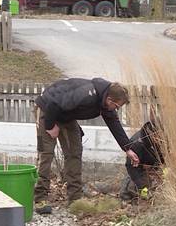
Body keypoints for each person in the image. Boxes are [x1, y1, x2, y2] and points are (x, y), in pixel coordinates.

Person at [34, 78, 140, 214]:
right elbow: (54, 103)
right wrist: (49, 126)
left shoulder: (104, 104)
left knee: (74, 152)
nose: (117, 109)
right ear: (109, 100)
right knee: (46, 153)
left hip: (66, 116)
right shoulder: (86, 94)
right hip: (46, 110)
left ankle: (75, 199)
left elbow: (115, 125)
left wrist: (128, 149)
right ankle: (40, 199)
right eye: (117, 107)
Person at [119, 114, 165, 201]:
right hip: (139, 167)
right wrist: (142, 187)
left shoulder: (163, 137)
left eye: (160, 136)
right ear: (151, 134)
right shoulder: (136, 143)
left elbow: (167, 155)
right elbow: (131, 167)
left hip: (156, 166)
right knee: (132, 186)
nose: (160, 139)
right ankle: (127, 199)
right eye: (157, 137)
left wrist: (163, 169)